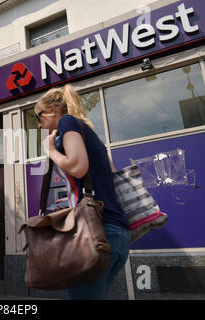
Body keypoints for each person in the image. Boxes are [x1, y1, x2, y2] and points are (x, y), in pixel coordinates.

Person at [35, 84, 131, 300]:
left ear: (52, 108)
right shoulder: (89, 133)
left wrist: (51, 152)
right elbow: (112, 173)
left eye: (39, 117)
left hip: (97, 232)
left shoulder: (67, 122)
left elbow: (78, 167)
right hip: (117, 233)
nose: (39, 125)